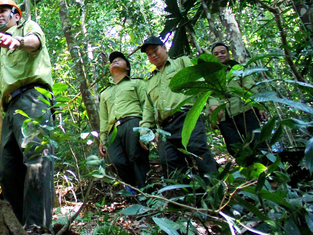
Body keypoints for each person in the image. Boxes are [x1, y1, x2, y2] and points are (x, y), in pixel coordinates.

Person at [0, 0, 54, 228]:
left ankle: (38, 227)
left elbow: (35, 42)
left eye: (3, 11)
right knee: (8, 170)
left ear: (16, 15)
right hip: (11, 107)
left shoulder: (27, 27)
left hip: (32, 98)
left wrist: (19, 41)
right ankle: (18, 230)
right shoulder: (2, 46)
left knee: (36, 159)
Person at [139, 36, 218, 179]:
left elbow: (200, 83)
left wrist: (212, 102)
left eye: (155, 50)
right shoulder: (150, 81)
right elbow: (148, 108)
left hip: (186, 117)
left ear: (164, 48)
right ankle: (188, 197)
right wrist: (144, 129)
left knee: (199, 152)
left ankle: (214, 193)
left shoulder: (182, 62)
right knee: (169, 161)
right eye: (149, 54)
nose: (153, 55)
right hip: (164, 128)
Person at [98, 51, 150, 190]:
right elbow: (103, 118)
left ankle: (145, 194)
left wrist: (145, 127)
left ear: (127, 67)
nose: (114, 61)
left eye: (119, 59)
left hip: (133, 122)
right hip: (113, 130)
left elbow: (147, 105)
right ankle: (134, 189)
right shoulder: (104, 93)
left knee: (136, 158)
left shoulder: (137, 83)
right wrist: (102, 139)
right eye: (112, 61)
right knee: (115, 161)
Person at [208, 42, 265, 161]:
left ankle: (269, 171)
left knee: (258, 143)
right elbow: (210, 95)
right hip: (225, 118)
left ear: (229, 55)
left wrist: (259, 106)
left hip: (245, 111)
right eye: (216, 54)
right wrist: (213, 114)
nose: (220, 55)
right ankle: (249, 173)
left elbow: (250, 87)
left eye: (223, 52)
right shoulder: (211, 77)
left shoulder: (237, 69)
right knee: (235, 147)